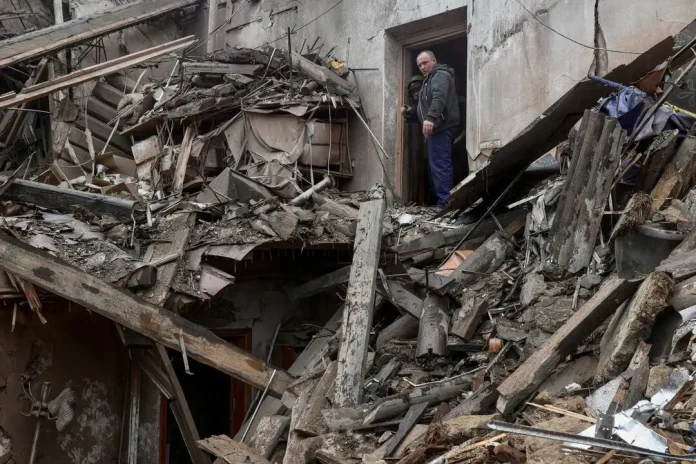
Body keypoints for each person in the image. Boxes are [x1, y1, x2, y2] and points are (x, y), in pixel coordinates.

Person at [400, 50, 460, 207]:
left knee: (440, 166)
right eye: (419, 65)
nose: (422, 67)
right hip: (438, 129)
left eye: (425, 63)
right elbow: (424, 107)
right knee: (436, 167)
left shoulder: (440, 75)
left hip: (442, 127)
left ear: (434, 60)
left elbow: (439, 97)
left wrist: (431, 118)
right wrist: (410, 111)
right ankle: (442, 202)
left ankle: (445, 203)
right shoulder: (429, 79)